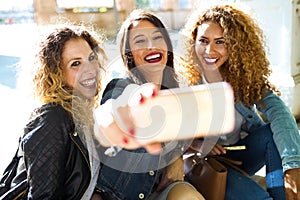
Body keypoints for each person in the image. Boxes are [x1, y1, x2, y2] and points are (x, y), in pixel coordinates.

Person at [0, 24, 161, 200]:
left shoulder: (83, 114)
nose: (90, 69)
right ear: (56, 73)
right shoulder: (52, 119)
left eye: (91, 58)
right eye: (75, 63)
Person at [181, 4, 300, 200]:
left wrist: (292, 166)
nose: (209, 50)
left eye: (220, 42)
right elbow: (166, 136)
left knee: (273, 131)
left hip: (240, 156)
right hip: (205, 163)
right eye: (203, 40)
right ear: (194, 42)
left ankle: (284, 194)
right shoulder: (185, 82)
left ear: (235, 46)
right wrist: (196, 144)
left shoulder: (243, 79)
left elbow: (278, 111)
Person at [95, 9, 204, 200]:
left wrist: (182, 151)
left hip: (155, 193)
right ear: (129, 54)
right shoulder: (121, 88)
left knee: (187, 195)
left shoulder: (176, 94)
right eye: (140, 41)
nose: (151, 46)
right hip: (118, 196)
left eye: (157, 38)